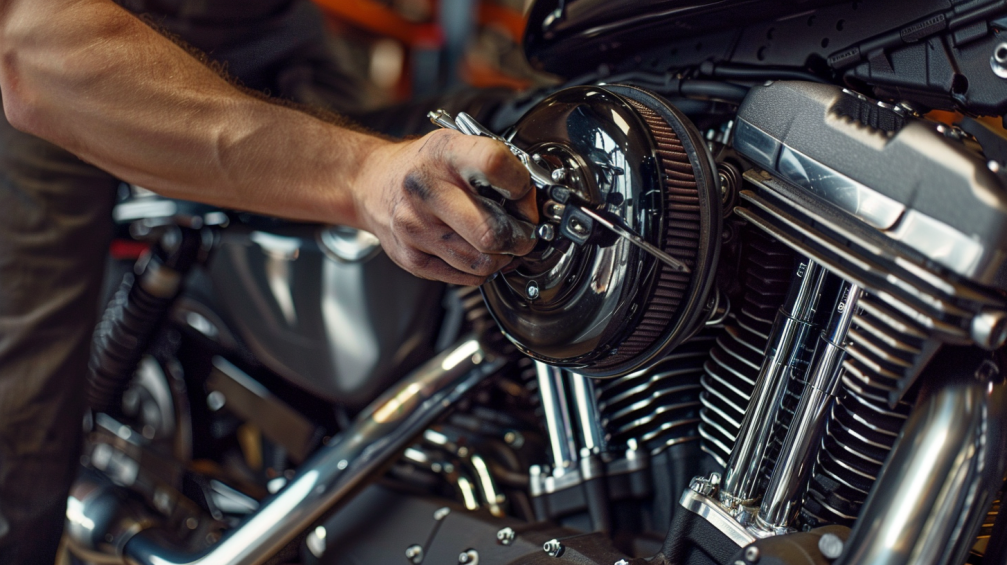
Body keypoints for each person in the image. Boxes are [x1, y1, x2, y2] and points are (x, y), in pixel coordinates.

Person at [0, 0, 538, 562]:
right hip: (68, 33)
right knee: (25, 397)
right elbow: (36, 49)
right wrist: (358, 174)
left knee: (409, 256)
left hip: (270, 24)